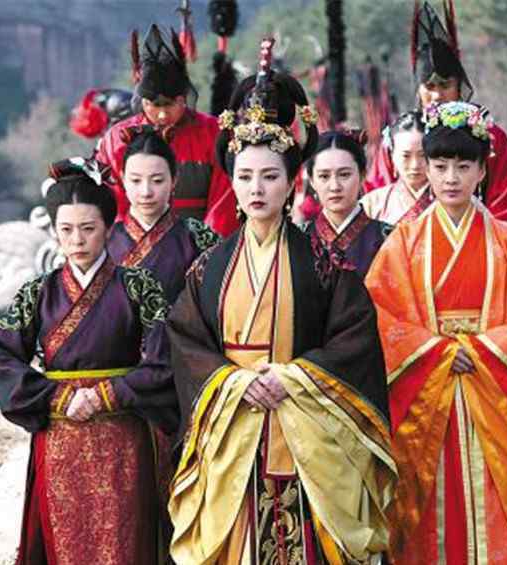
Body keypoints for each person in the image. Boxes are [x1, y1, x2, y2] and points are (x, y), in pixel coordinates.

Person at [166, 39, 396, 564]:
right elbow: (185, 342)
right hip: (235, 430)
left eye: (270, 176)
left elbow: (355, 340)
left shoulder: (324, 264)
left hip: (306, 433)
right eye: (245, 177)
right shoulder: (209, 267)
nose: (257, 189)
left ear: (293, 182)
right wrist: (234, 381)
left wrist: (292, 377)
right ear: (231, 181)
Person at [365, 101, 507, 564]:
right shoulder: (403, 242)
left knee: (500, 514)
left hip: (496, 400)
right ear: (426, 168)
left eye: (463, 167)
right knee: (429, 519)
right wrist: (437, 352)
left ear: (482, 171)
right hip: (428, 404)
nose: (451, 178)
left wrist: (482, 351)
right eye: (440, 166)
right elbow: (381, 316)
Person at [0, 167, 177, 564]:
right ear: (54, 231)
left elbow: (165, 361)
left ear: (108, 227)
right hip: (61, 436)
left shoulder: (138, 286)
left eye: (88, 228)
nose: (77, 240)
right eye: (67, 229)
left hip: (124, 438)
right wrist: (58, 397)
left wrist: (106, 395)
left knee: (124, 543)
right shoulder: (37, 291)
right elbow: (3, 357)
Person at [364, 1, 507, 249]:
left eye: (445, 85)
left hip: (477, 248)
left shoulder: (487, 135)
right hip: (403, 252)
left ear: (459, 85)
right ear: (418, 89)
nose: (437, 95)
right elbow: (376, 194)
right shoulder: (401, 135)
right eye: (429, 86)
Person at [94, 24, 237, 236]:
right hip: (134, 246)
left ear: (184, 98)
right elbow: (112, 202)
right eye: (154, 105)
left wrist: (206, 245)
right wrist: (131, 245)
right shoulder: (117, 138)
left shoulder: (213, 133)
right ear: (142, 101)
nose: (162, 115)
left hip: (201, 244)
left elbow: (225, 199)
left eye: (170, 104)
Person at [99, 127, 220, 303]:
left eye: (157, 180)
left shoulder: (198, 237)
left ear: (174, 180)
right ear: (123, 179)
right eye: (136, 180)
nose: (146, 192)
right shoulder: (103, 240)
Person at [305, 131, 392, 277]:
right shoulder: (297, 239)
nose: (335, 186)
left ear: (362, 175)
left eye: (344, 175)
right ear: (312, 181)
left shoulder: (389, 238)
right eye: (324, 176)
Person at [360, 111, 433, 225]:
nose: (415, 165)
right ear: (392, 155)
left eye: (423, 155)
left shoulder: (450, 199)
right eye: (406, 156)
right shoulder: (372, 204)